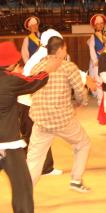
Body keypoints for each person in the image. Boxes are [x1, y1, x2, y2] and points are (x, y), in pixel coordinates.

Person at [0, 41, 62, 213]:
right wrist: (48, 69)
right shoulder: (10, 80)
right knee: (23, 187)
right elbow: (34, 82)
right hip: (7, 145)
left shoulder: (10, 78)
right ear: (11, 63)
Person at [27, 36, 91, 193]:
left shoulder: (36, 67)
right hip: (63, 120)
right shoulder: (68, 67)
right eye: (65, 49)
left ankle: (24, 195)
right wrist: (82, 102)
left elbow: (30, 90)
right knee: (83, 144)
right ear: (61, 50)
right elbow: (79, 92)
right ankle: (76, 180)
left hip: (40, 120)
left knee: (34, 159)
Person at [18, 29, 65, 176]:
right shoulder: (44, 57)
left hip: (31, 102)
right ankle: (34, 167)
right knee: (33, 137)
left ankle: (45, 167)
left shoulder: (45, 55)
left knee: (39, 136)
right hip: (27, 102)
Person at [87, 14, 106, 105]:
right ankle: (100, 100)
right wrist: (95, 61)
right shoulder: (93, 37)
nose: (100, 25)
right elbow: (92, 50)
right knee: (99, 81)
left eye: (101, 23)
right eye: (98, 24)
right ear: (95, 26)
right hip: (98, 62)